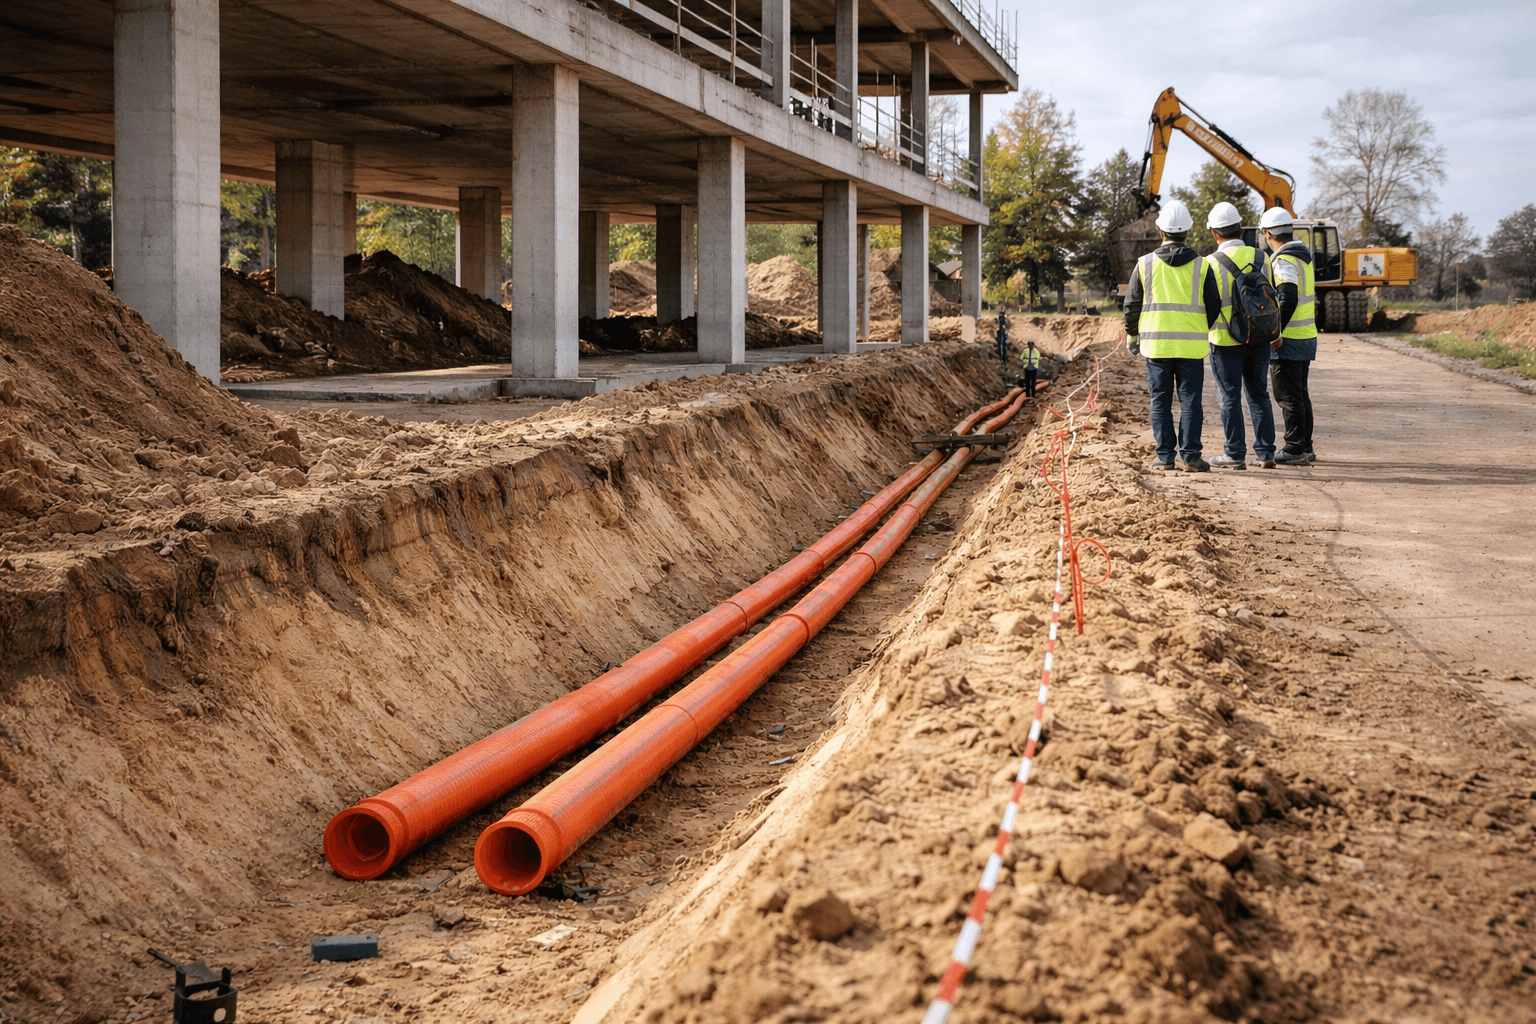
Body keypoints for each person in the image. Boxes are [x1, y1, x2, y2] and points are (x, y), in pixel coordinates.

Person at [1123, 199, 1223, 472]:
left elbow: (1131, 305)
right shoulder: (1203, 266)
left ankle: (1165, 456)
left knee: (1160, 400)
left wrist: (1133, 333)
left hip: (1156, 345)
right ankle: (1191, 457)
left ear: (1160, 230)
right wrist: (1201, 327)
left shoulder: (1144, 264)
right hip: (1191, 346)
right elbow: (1214, 305)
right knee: (1191, 401)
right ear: (1188, 232)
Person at [1204, 201, 1278, 470]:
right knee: (1259, 395)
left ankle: (1235, 454)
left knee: (1229, 397)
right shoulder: (1263, 258)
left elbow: (1209, 302)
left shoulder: (1210, 263)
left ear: (1215, 233)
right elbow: (1271, 297)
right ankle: (1266, 452)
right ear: (1240, 227)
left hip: (1225, 340)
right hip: (1260, 337)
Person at [1258, 207, 1317, 465]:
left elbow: (1288, 296)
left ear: (1268, 233)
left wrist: (1275, 332)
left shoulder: (1283, 260)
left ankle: (1294, 448)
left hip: (1289, 339)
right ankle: (1305, 445)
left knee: (1287, 396)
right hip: (1305, 335)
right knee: (1300, 394)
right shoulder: (1302, 256)